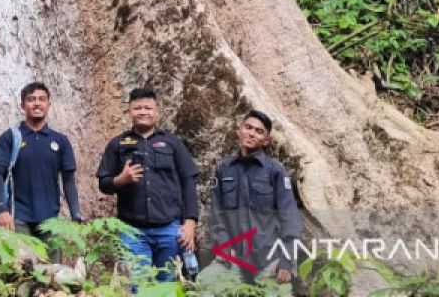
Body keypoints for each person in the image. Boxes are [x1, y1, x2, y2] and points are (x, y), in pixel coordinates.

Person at [97, 87, 199, 283]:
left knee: (167, 284)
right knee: (137, 286)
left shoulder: (172, 143)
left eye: (148, 108)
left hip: (169, 228)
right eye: (137, 108)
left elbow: (189, 181)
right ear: (129, 112)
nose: (143, 112)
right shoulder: (116, 144)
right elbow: (104, 183)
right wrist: (122, 179)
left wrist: (190, 223)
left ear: (157, 111)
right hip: (131, 231)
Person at [197, 110, 302, 294]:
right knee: (205, 283)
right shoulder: (224, 169)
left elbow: (290, 218)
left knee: (279, 292)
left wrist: (286, 260)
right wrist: (224, 244)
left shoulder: (275, 171)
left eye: (259, 131)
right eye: (248, 127)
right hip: (234, 258)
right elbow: (217, 213)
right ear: (239, 130)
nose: (251, 133)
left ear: (266, 140)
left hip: (269, 259)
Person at [0, 81, 83, 244]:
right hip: (17, 218)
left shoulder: (60, 140)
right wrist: (2, 210)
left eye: (42, 99)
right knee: (22, 267)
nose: (37, 103)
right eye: (31, 99)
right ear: (22, 105)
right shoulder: (11, 137)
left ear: (49, 104)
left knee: (54, 268)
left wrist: (76, 215)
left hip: (51, 220)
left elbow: (68, 180)